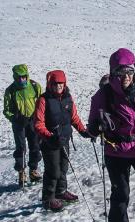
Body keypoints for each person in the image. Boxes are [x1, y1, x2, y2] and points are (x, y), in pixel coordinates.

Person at [87, 48, 135, 222]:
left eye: (130, 71)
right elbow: (91, 126)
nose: (126, 76)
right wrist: (96, 127)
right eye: (120, 72)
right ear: (113, 72)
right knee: (121, 195)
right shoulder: (103, 96)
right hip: (116, 151)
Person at [34, 69, 92, 211]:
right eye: (56, 84)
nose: (59, 86)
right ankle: (48, 199)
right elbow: (38, 123)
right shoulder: (43, 100)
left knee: (63, 168)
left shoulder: (68, 98)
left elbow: (73, 117)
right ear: (50, 84)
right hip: (49, 142)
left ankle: (61, 192)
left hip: (64, 139)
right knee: (53, 170)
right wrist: (50, 137)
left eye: (61, 83)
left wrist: (83, 130)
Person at [3, 64, 43, 186]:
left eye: (24, 77)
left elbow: (42, 103)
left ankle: (33, 170)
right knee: (21, 148)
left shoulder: (35, 86)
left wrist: (40, 117)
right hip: (18, 123)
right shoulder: (10, 91)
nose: (22, 80)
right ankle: (21, 172)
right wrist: (15, 118)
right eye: (19, 77)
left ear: (27, 76)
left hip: (33, 121)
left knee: (35, 145)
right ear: (15, 77)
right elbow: (6, 110)